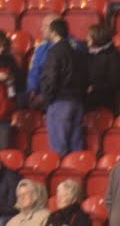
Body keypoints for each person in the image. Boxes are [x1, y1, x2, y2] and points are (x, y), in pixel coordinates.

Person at [42, 18, 89, 156]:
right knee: (76, 148)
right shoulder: (78, 51)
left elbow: (50, 78)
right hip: (77, 101)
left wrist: (48, 99)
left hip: (60, 102)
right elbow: (86, 76)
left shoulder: (54, 52)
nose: (43, 31)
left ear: (53, 32)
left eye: (46, 29)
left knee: (59, 149)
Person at [87, 24, 120, 114]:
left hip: (103, 100)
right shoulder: (88, 52)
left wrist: (94, 88)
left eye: (89, 36)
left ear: (97, 37)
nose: (87, 38)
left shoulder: (113, 55)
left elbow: (115, 82)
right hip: (87, 97)